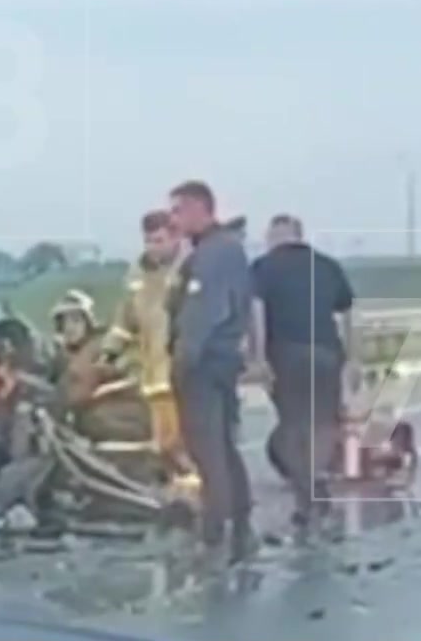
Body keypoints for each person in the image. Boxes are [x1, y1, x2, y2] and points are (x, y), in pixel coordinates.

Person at [166, 179, 257, 566]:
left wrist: (181, 363)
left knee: (208, 449)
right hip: (224, 361)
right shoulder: (227, 250)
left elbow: (201, 314)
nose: (174, 219)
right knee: (224, 443)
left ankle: (216, 527)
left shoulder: (212, 254)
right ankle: (240, 520)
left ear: (201, 208)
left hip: (205, 364)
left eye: (178, 210)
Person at [250, 214, 354, 530]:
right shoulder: (327, 265)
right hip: (326, 352)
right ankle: (318, 480)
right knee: (324, 423)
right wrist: (352, 357)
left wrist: (258, 357)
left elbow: (257, 311)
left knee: (293, 425)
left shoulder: (262, 268)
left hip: (287, 353)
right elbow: (348, 312)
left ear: (275, 236)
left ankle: (306, 495)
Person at [106, 210, 187, 474]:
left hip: (184, 371)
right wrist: (109, 351)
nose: (153, 247)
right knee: (162, 442)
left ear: (175, 238)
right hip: (152, 373)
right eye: (148, 241)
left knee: (187, 439)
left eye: (159, 240)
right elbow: (124, 319)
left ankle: (200, 497)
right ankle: (171, 489)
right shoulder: (136, 275)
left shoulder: (188, 270)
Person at [49, 290, 149, 447]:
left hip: (127, 413)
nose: (69, 328)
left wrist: (104, 391)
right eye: (64, 322)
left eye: (75, 320)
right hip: (90, 413)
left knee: (92, 421)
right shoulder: (65, 356)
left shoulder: (105, 347)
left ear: (88, 321)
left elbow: (135, 378)